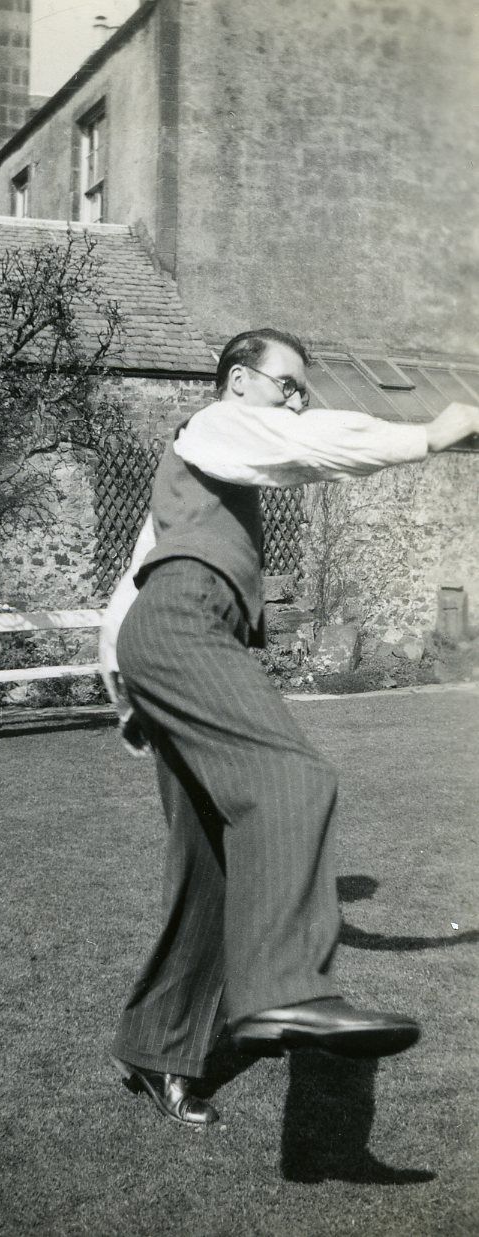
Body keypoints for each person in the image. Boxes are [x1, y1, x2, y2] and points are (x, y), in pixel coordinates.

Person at [98, 327, 479, 1127]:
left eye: (302, 388)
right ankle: (286, 992)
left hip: (166, 641)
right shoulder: (217, 423)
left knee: (213, 865)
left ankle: (156, 1046)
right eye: (288, 384)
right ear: (240, 380)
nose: (297, 401)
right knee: (292, 778)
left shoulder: (204, 461)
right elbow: (312, 444)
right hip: (183, 627)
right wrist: (426, 434)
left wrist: (129, 688)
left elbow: (131, 580)